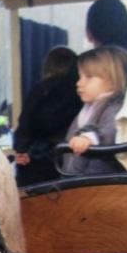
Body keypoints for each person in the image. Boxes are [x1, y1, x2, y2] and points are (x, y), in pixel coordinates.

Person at [13, 46, 83, 185]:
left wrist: (21, 149)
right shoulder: (80, 92)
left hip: (37, 161)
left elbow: (25, 126)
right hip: (69, 159)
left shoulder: (39, 90)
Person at [61, 45, 127, 175]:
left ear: (113, 80)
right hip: (80, 177)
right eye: (80, 77)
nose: (79, 83)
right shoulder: (88, 108)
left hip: (100, 181)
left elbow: (113, 128)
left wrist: (91, 138)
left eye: (88, 77)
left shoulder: (116, 107)